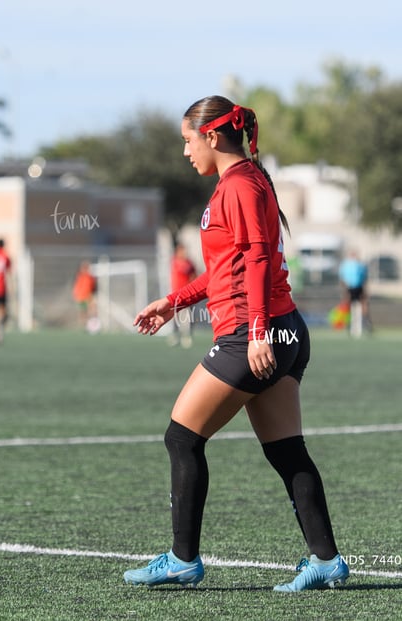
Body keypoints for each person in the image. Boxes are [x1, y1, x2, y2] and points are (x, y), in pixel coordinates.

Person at [123, 96, 349, 592]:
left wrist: (255, 332)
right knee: (287, 452)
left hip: (254, 333)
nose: (185, 153)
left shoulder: (240, 184)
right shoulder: (248, 180)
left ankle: (183, 560)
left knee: (182, 438)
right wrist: (174, 302)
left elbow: (261, 257)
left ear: (211, 136)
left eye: (187, 141)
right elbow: (229, 269)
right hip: (282, 331)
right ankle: (327, 561)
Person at [169, 243, 197, 348]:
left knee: (189, 316)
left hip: (187, 294)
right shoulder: (176, 261)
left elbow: (194, 275)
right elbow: (184, 269)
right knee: (175, 316)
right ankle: (175, 335)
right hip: (176, 295)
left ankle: (187, 336)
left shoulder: (189, 262)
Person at [338, 250, 371, 337]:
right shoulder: (345, 265)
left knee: (363, 305)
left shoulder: (360, 265)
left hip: (358, 288)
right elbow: (342, 277)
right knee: (348, 305)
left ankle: (365, 323)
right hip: (350, 288)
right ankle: (348, 324)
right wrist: (345, 289)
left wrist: (364, 289)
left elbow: (364, 277)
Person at [72, 261, 99, 332]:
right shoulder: (79, 276)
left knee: (92, 311)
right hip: (81, 298)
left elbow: (94, 287)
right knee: (83, 313)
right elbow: (76, 287)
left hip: (89, 297)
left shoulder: (90, 277)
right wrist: (76, 295)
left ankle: (93, 326)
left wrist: (93, 294)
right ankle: (84, 327)